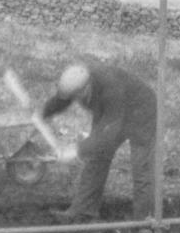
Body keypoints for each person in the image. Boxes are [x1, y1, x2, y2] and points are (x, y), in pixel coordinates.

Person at [38, 58, 158, 222]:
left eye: (77, 96)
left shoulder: (110, 88)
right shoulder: (79, 83)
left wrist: (75, 150)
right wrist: (42, 114)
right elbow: (62, 100)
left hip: (142, 113)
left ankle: (145, 222)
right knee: (96, 158)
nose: (76, 101)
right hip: (110, 112)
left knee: (142, 168)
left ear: (86, 88)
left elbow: (107, 135)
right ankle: (83, 212)